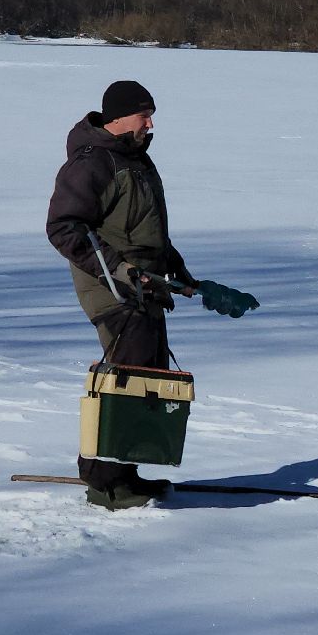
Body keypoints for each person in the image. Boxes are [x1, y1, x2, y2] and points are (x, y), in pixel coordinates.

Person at [46, 80, 197, 510]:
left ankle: (126, 472)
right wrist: (118, 269)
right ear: (118, 117)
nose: (150, 124)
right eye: (143, 115)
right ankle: (103, 482)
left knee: (146, 378)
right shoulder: (92, 164)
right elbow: (63, 227)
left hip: (145, 285)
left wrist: (176, 266)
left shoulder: (137, 160)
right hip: (110, 287)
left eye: (151, 116)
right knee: (123, 379)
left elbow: (145, 226)